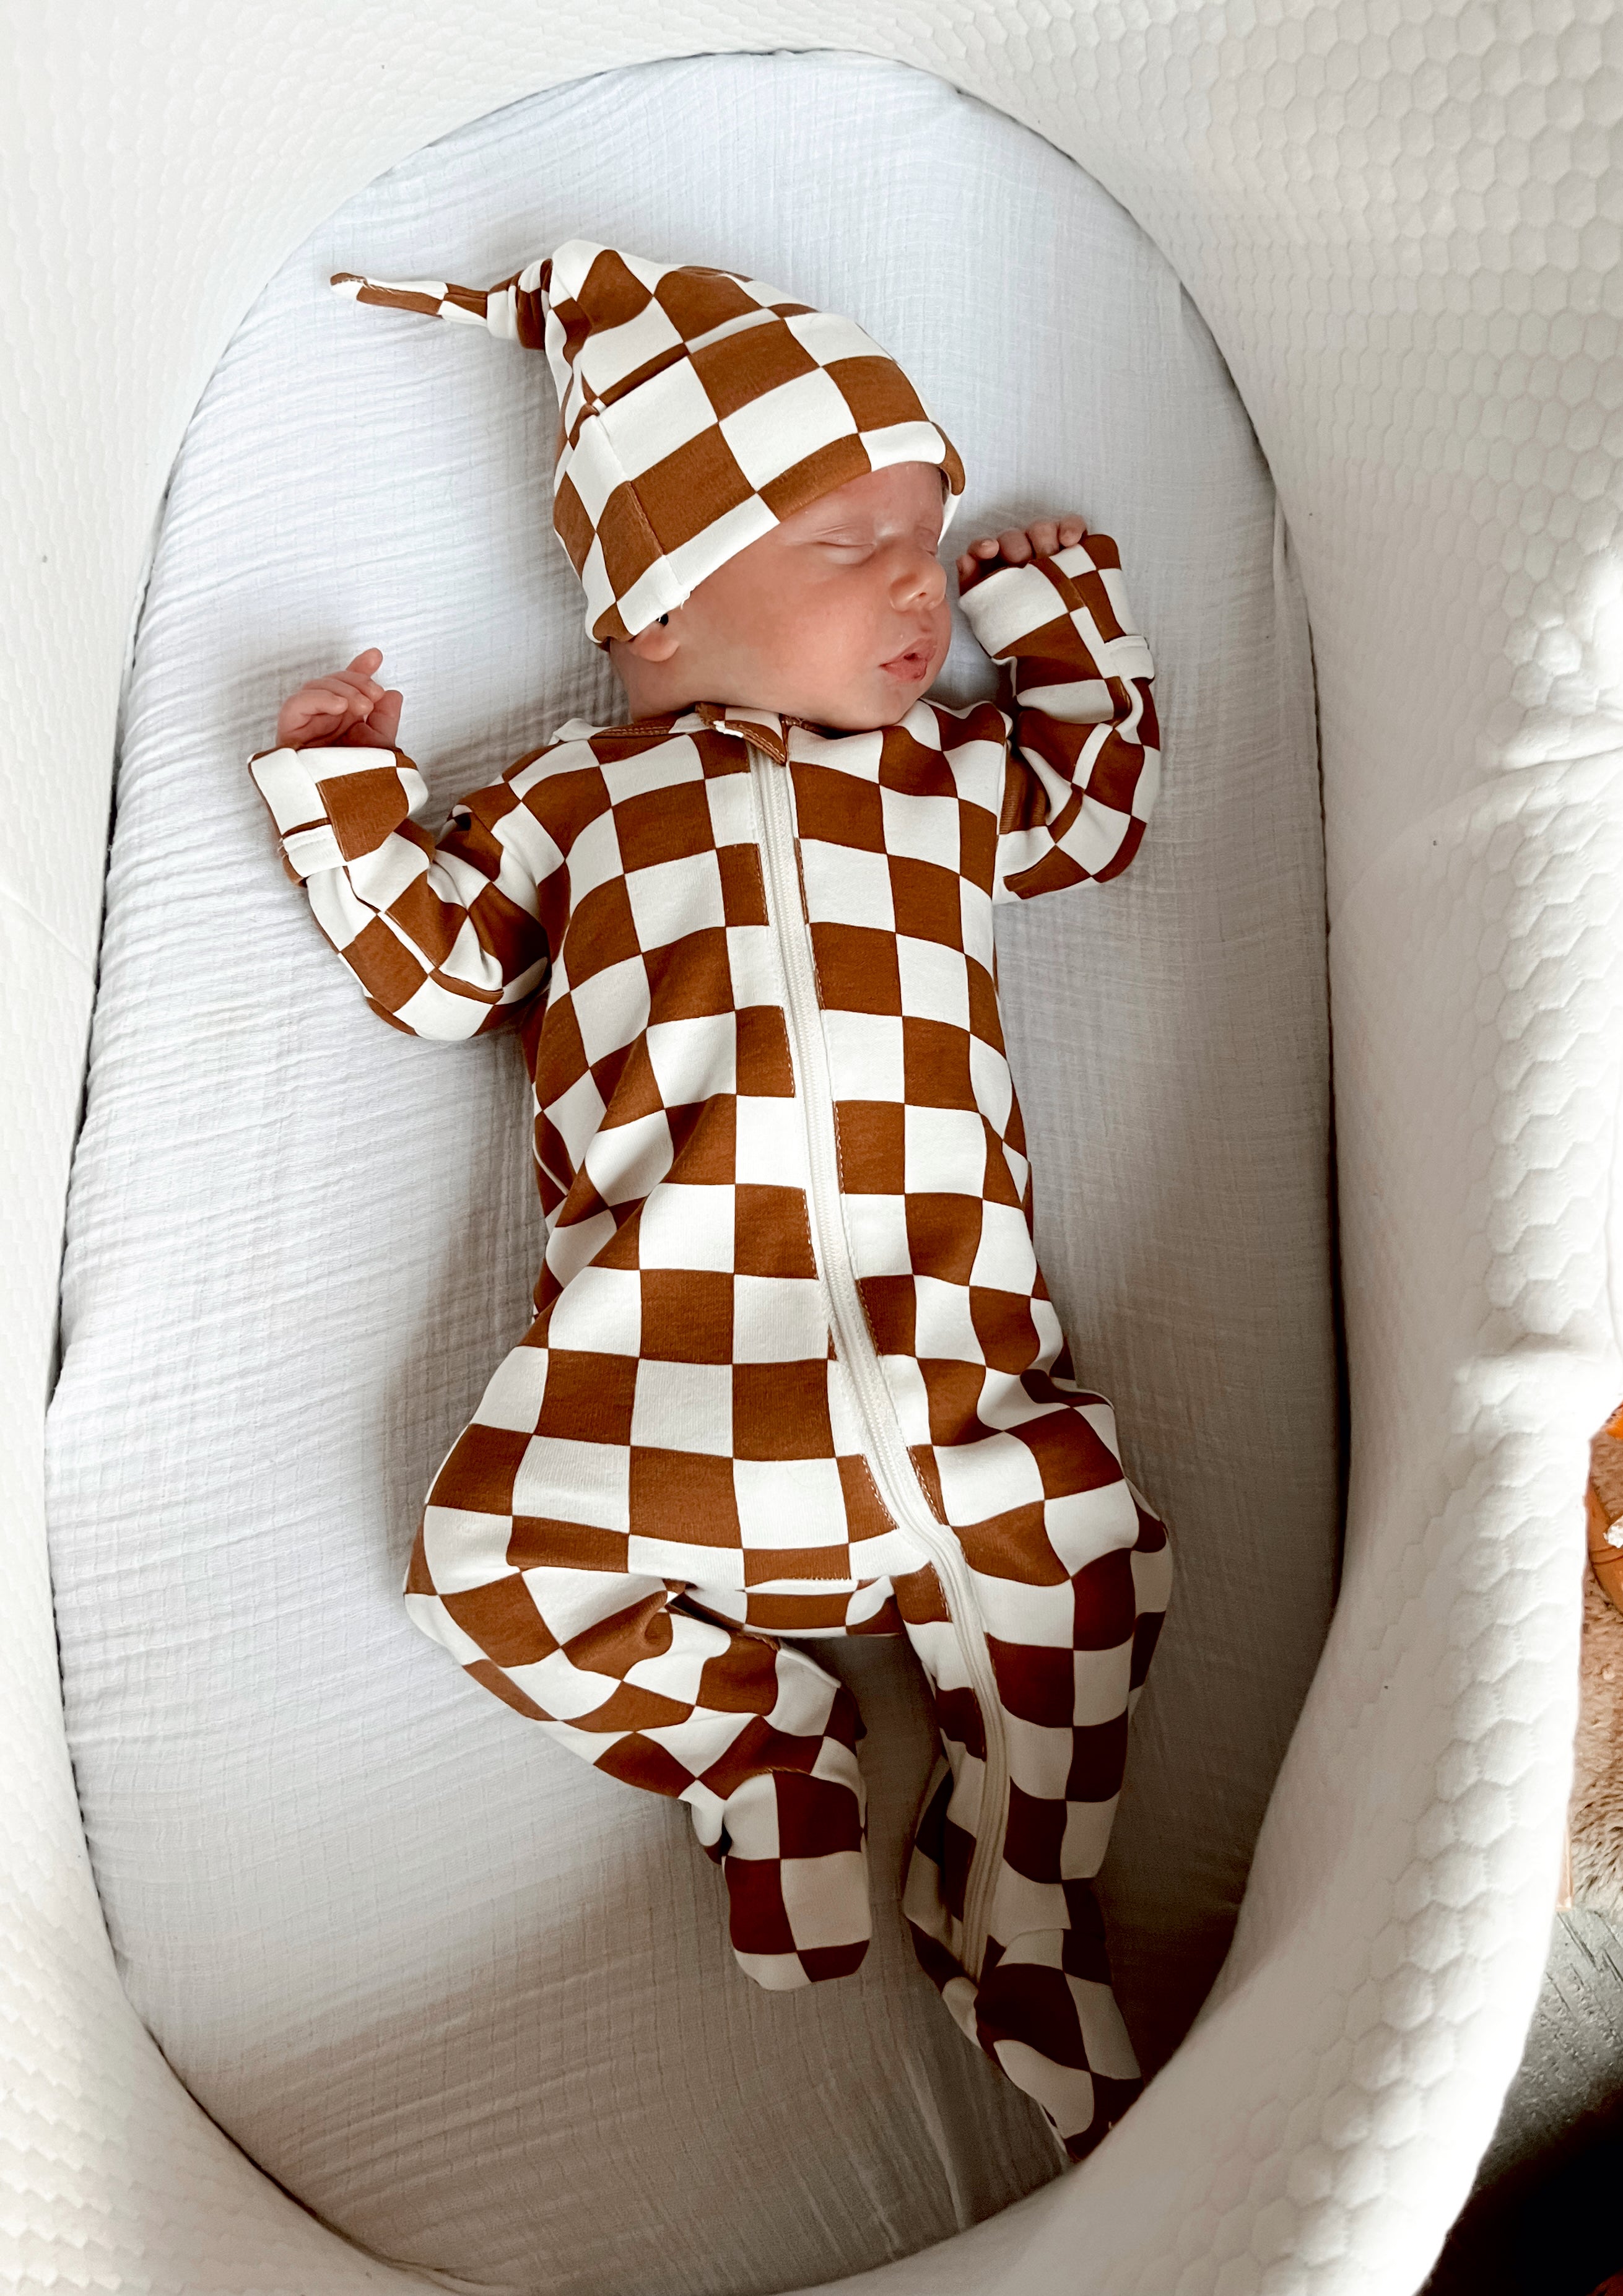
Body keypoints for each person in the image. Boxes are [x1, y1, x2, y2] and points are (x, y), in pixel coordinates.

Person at [249, 237, 1172, 2160]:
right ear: (655, 601)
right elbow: (436, 972)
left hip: (955, 1387)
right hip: (659, 1381)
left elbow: (1095, 810)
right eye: (851, 541)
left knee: (1093, 1557)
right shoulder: (576, 799)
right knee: (484, 1571)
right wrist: (349, 795)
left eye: (931, 539)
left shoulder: (942, 781)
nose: (920, 582)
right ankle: (753, 1740)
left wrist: (1058, 614)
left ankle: (1011, 1899)